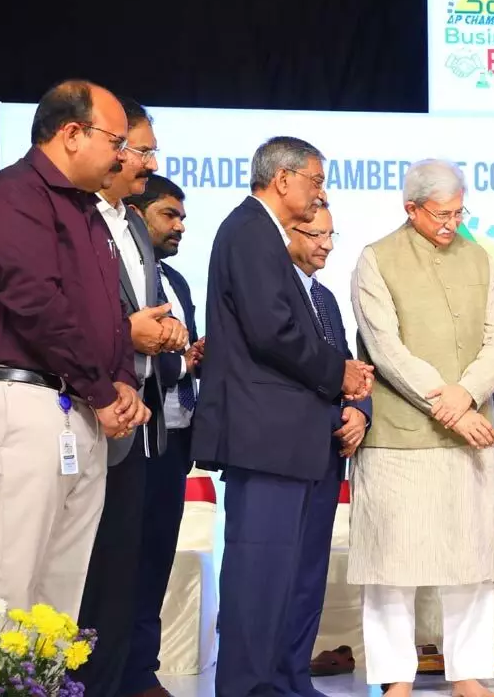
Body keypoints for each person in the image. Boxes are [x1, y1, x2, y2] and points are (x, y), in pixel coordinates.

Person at [192, 136, 374, 697]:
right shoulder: (250, 230)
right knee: (260, 580)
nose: (320, 191)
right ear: (284, 179)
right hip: (266, 437)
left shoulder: (263, 236)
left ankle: (289, 683)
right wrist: (339, 372)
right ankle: (248, 688)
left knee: (296, 579)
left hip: (300, 439)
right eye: (316, 180)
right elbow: (272, 330)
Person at [0, 79, 149, 619]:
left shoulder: (89, 212)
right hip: (23, 401)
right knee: (7, 584)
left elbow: (108, 313)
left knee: (61, 592)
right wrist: (102, 388)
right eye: (115, 140)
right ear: (72, 134)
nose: (122, 155)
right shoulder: (12, 196)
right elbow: (35, 305)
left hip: (81, 409)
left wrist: (122, 379)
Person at [350, 159, 494, 697]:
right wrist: (449, 406)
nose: (451, 223)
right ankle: (396, 678)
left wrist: (467, 395)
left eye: (458, 212)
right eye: (441, 214)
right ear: (411, 209)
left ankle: (466, 673)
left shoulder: (480, 258)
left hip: (471, 428)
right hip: (399, 435)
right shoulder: (376, 259)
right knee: (391, 563)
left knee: (469, 558)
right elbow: (386, 348)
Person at [76, 96, 187, 697]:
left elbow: (138, 311)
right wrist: (129, 333)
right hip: (87, 413)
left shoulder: (132, 229)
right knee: (85, 576)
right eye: (138, 149)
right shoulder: (78, 218)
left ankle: (121, 679)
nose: (144, 161)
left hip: (142, 425)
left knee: (127, 572)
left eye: (145, 150)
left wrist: (162, 333)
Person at [280, 200, 372, 697]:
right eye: (315, 234)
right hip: (282, 452)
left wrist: (360, 412)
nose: (327, 245)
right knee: (276, 575)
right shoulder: (275, 293)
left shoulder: (329, 299)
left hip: (327, 454)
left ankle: (295, 677)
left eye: (331, 235)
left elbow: (352, 371)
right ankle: (269, 678)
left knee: (310, 575)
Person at [120, 174, 204, 697]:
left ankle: (142, 668)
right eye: (168, 216)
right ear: (136, 214)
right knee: (122, 560)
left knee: (156, 558)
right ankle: (116, 671)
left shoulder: (178, 281)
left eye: (181, 217)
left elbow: (181, 356)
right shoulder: (117, 275)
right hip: (130, 436)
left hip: (173, 443)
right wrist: (177, 362)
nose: (179, 227)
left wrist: (195, 360)